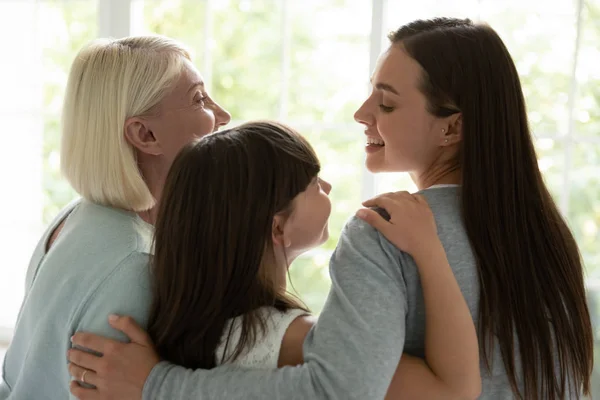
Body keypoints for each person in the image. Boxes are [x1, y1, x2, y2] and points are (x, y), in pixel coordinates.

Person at [67, 17, 593, 400]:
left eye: (386, 103)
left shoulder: (385, 233)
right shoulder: (549, 235)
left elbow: (338, 389)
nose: (362, 113)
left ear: (452, 127)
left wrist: (157, 385)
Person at [68, 120, 480, 399]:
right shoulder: (288, 339)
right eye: (313, 182)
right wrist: (429, 252)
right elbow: (455, 390)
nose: (328, 185)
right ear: (278, 227)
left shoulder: (193, 321)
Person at [0, 35, 230, 399]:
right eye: (199, 98)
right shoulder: (136, 265)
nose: (223, 116)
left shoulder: (74, 216)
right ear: (144, 134)